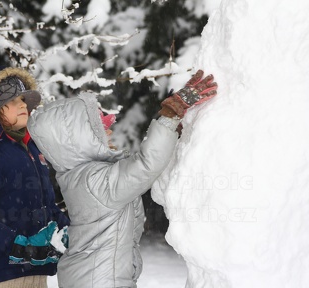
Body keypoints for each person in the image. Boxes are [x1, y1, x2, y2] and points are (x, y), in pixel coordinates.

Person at [27, 70, 217, 288]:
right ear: (78, 139)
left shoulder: (81, 176)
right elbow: (145, 165)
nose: (108, 129)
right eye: (98, 126)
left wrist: (173, 128)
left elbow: (138, 165)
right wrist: (171, 113)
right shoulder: (92, 181)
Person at [0, 65, 70, 288]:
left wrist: (65, 230)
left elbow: (47, 206)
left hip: (37, 271)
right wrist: (17, 246)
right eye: (12, 99)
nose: (22, 104)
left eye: (24, 99)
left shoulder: (31, 149)